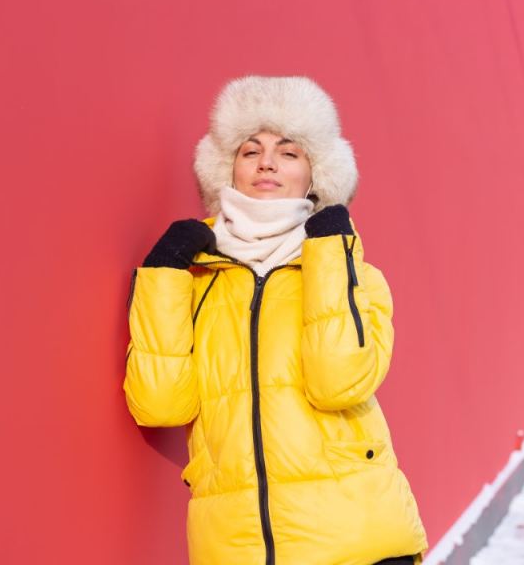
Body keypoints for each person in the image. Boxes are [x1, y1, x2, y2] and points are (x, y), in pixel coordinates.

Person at [123, 76, 428, 565]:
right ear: (227, 170)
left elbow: (339, 382)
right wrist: (163, 274)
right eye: (250, 151)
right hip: (236, 546)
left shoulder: (357, 274)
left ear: (315, 175)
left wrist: (329, 252)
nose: (267, 162)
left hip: (355, 540)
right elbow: (160, 405)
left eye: (289, 153)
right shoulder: (197, 279)